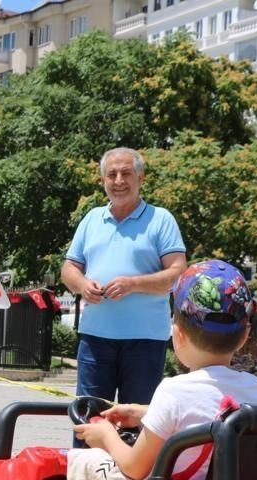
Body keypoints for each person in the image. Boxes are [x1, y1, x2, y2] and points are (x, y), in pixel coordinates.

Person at [65, 259, 257, 480]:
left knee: (82, 464)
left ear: (178, 334)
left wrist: (106, 434)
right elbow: (214, 415)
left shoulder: (173, 390)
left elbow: (134, 466)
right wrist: (144, 413)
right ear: (244, 336)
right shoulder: (254, 389)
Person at [61, 148, 188, 416]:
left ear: (141, 178)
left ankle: (133, 461)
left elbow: (178, 273)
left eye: (126, 173)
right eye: (112, 175)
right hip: (95, 339)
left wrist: (133, 284)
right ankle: (89, 461)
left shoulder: (161, 219)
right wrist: (82, 284)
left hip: (144, 341)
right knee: (89, 420)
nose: (119, 181)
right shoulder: (91, 219)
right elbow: (69, 268)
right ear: (103, 181)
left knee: (138, 423)